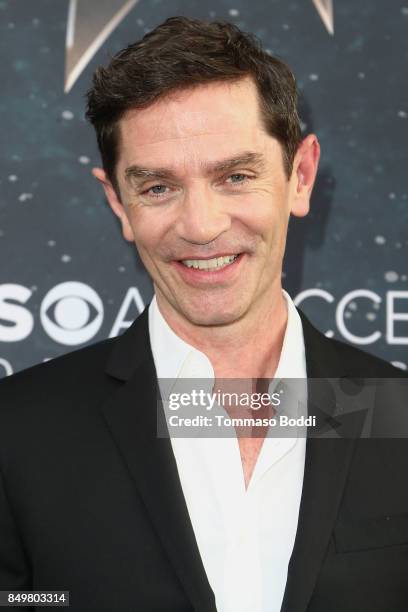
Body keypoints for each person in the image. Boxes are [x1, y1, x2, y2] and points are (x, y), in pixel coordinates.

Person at [1, 15, 407, 612]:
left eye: (235, 176)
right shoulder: (18, 434)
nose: (201, 226)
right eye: (159, 187)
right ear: (118, 200)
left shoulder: (398, 415)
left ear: (300, 176)